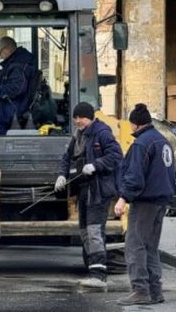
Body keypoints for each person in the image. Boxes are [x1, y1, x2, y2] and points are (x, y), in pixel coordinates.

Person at [54, 102, 122, 289]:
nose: (77, 121)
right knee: (84, 231)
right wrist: (62, 175)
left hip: (98, 190)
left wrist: (96, 165)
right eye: (75, 118)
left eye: (80, 117)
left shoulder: (102, 133)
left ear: (89, 117)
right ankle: (94, 268)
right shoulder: (77, 135)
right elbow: (67, 157)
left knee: (94, 231)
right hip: (84, 190)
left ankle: (98, 276)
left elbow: (116, 155)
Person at [114, 103, 175, 306]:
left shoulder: (141, 144)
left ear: (134, 125)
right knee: (150, 246)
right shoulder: (162, 140)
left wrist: (123, 198)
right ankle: (155, 290)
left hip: (145, 201)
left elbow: (135, 177)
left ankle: (140, 290)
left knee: (135, 245)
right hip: (161, 200)